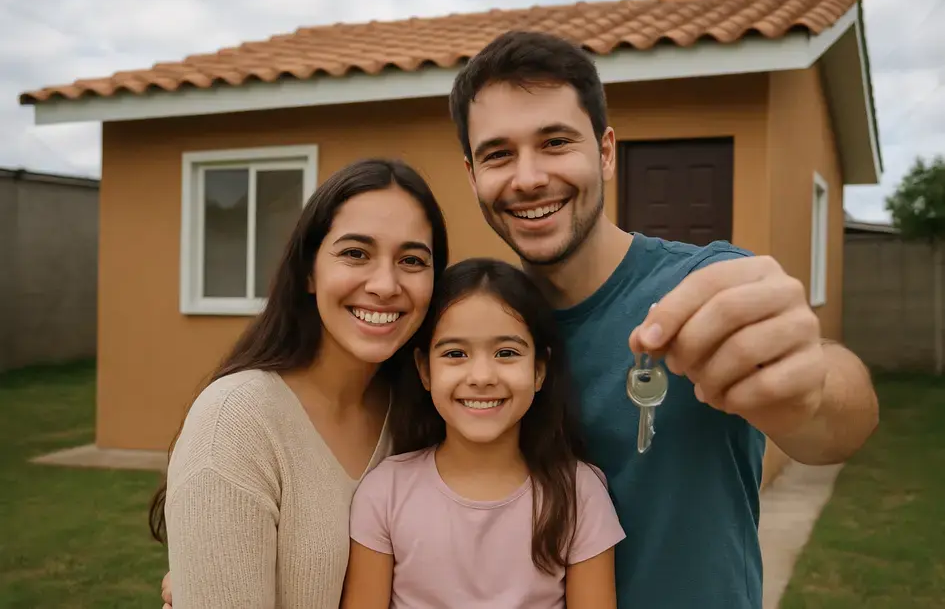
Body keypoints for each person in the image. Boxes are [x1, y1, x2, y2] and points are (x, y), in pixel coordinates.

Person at [445, 30, 880, 608]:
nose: (528, 177)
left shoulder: (705, 287)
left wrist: (811, 386)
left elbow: (839, 423)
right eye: (499, 154)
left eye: (555, 142)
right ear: (473, 175)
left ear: (604, 152)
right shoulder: (483, 338)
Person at [150, 157, 449, 608]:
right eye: (355, 253)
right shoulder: (236, 423)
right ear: (309, 271)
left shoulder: (426, 414)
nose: (386, 285)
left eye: (412, 260)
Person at [339, 258, 625, 609]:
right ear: (424, 370)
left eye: (506, 353)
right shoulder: (384, 494)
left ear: (539, 371)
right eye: (455, 353)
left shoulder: (579, 493)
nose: (481, 376)